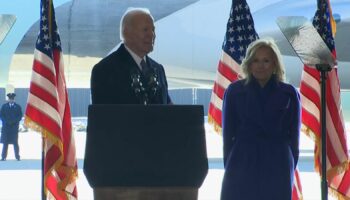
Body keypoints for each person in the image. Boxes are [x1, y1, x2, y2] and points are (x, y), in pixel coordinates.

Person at [220, 38, 301, 200]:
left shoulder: (289, 93)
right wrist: (232, 165)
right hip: (241, 163)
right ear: (249, 64)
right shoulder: (234, 92)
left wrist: (287, 167)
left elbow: (294, 140)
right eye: (255, 60)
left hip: (278, 164)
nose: (260, 65)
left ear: (275, 65)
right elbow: (228, 136)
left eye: (266, 61)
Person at [90, 7, 172, 105]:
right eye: (145, 30)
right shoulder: (105, 70)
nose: (151, 34)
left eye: (153, 30)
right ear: (126, 33)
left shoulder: (158, 69)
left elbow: (168, 108)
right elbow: (102, 116)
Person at [0, 93, 23, 161]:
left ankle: (17, 156)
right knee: (5, 143)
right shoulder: (4, 106)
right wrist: (6, 121)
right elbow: (1, 115)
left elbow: (20, 116)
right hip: (6, 127)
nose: (11, 100)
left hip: (14, 128)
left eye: (12, 99)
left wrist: (14, 121)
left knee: (15, 142)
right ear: (8, 99)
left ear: (14, 99)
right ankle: (3, 157)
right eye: (10, 99)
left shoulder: (17, 107)